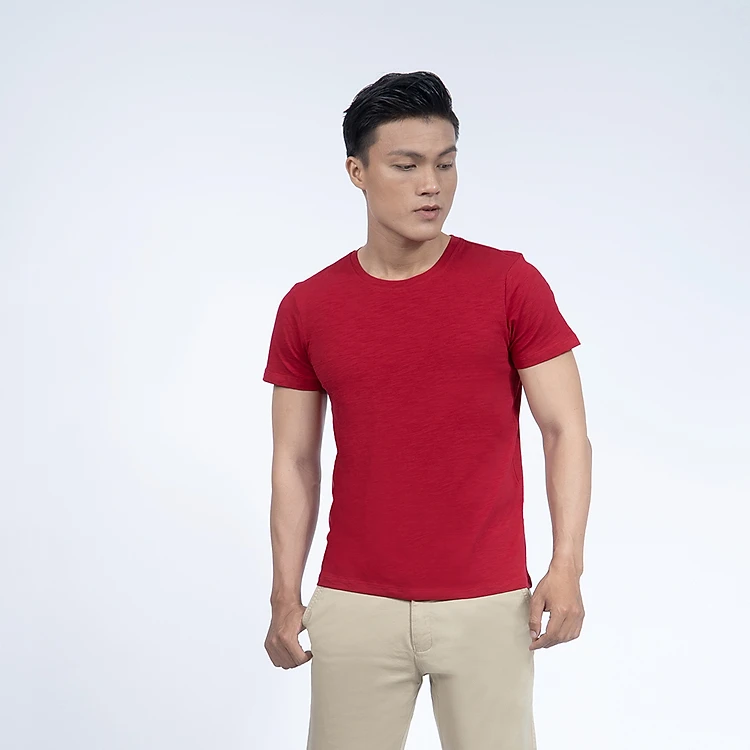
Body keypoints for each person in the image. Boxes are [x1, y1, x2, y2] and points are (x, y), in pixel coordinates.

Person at [262, 70, 592, 750]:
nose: (431, 185)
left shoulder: (510, 283)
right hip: (355, 604)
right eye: (406, 165)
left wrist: (567, 566)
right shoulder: (309, 305)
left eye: (445, 164)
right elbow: (294, 461)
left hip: (488, 605)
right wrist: (283, 593)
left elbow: (565, 432)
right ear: (357, 172)